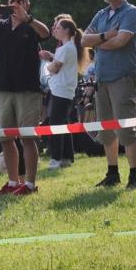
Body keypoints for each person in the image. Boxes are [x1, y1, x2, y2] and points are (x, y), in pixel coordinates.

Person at [0, 0, 50, 195]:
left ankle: (31, 184)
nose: (15, 4)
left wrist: (28, 18)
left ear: (27, 4)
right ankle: (13, 182)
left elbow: (46, 33)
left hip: (27, 89)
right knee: (6, 138)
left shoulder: (31, 25)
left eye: (20, 1)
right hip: (3, 89)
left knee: (27, 137)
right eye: (11, 0)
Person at [81, 0, 136, 189]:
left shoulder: (131, 12)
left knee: (126, 129)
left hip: (122, 78)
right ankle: (112, 173)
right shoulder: (101, 14)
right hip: (102, 79)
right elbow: (83, 40)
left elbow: (122, 42)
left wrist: (97, 41)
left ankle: (134, 176)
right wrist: (106, 36)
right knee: (106, 130)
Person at [41, 17, 83, 168]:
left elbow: (55, 67)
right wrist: (52, 57)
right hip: (62, 90)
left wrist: (49, 65)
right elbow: (59, 63)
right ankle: (66, 157)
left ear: (66, 30)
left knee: (56, 125)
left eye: (58, 27)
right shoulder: (66, 48)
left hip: (61, 90)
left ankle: (56, 158)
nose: (55, 30)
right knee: (63, 124)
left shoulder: (66, 48)